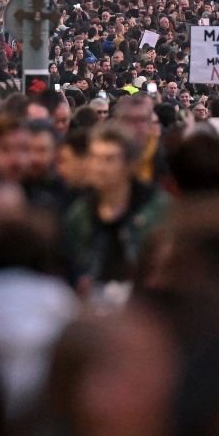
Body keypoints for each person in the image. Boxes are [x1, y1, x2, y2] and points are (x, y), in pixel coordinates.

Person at [60, 123, 171, 305]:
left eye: (109, 159)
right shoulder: (80, 213)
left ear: (129, 164)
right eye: (94, 158)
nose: (99, 167)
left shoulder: (157, 208)